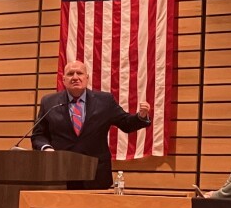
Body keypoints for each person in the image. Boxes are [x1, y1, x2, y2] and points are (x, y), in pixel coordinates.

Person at [31, 60, 151, 190]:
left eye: (80, 73)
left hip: (96, 174)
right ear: (64, 79)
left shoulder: (105, 101)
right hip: (60, 173)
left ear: (87, 78)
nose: (75, 77)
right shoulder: (49, 102)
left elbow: (126, 124)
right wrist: (46, 148)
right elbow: (38, 135)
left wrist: (141, 116)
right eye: (71, 74)